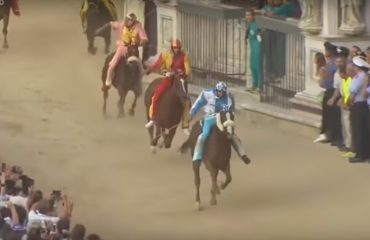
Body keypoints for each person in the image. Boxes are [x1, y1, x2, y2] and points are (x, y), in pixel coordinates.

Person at [190, 81, 251, 164]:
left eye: (222, 92)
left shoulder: (227, 98)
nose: (221, 94)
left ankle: (243, 155)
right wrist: (192, 112)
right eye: (219, 91)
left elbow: (228, 112)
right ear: (216, 90)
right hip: (209, 118)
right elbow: (198, 103)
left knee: (232, 136)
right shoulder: (206, 94)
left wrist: (229, 122)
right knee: (203, 135)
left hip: (222, 119)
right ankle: (197, 157)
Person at [145, 39, 191, 134]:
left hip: (179, 80)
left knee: (186, 101)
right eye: (175, 48)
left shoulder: (184, 56)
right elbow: (158, 64)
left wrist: (181, 73)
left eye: (178, 48)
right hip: (168, 79)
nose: (177, 50)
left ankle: (185, 124)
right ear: (172, 48)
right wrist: (150, 70)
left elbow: (187, 69)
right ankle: (153, 118)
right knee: (156, 96)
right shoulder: (165, 54)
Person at [96, 13, 148, 90]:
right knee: (112, 64)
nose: (129, 21)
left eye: (131, 20)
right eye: (128, 19)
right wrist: (100, 30)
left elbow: (144, 37)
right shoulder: (121, 24)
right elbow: (111, 24)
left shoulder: (138, 27)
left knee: (138, 65)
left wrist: (142, 41)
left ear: (134, 21)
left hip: (133, 49)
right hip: (121, 48)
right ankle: (107, 82)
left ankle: (138, 83)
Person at [314, 42, 341, 145]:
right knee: (327, 114)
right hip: (328, 90)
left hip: (332, 91)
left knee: (331, 115)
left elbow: (327, 81)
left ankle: (331, 135)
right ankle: (328, 134)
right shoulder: (329, 63)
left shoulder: (332, 65)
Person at [348, 56, 370, 163]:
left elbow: (353, 92)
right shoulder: (363, 76)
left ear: (357, 67)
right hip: (362, 105)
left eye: (354, 65)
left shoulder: (360, 77)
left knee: (358, 130)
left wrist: (349, 102)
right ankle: (363, 153)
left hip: (358, 105)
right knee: (362, 129)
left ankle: (360, 154)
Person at [245, 10, 261, 93]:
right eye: (246, 15)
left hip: (257, 48)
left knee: (257, 67)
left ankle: (259, 86)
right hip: (252, 48)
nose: (247, 17)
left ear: (253, 16)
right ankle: (254, 85)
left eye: (249, 15)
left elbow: (259, 35)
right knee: (252, 67)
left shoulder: (256, 25)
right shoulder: (250, 25)